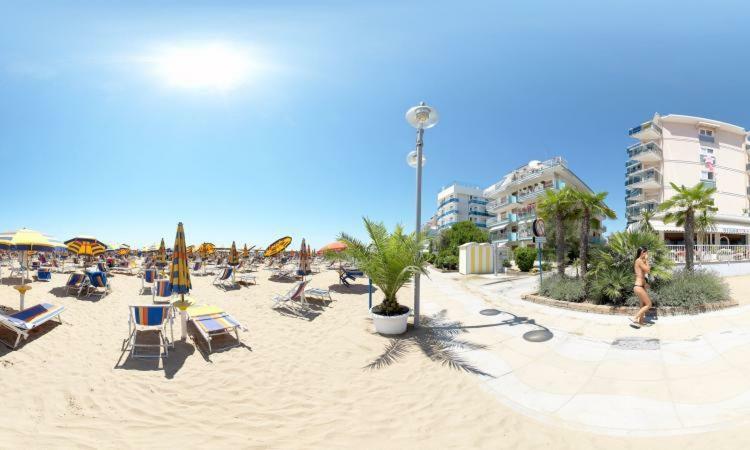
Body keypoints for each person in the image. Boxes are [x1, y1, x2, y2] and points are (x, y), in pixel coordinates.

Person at [631, 246, 652, 327]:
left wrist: (645, 284)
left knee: (642, 305)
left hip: (640, 286)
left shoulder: (639, 261)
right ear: (642, 252)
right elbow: (648, 270)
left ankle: (641, 322)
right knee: (649, 304)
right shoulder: (639, 261)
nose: (647, 254)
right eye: (646, 252)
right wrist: (646, 260)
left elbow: (642, 275)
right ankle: (635, 318)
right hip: (639, 287)